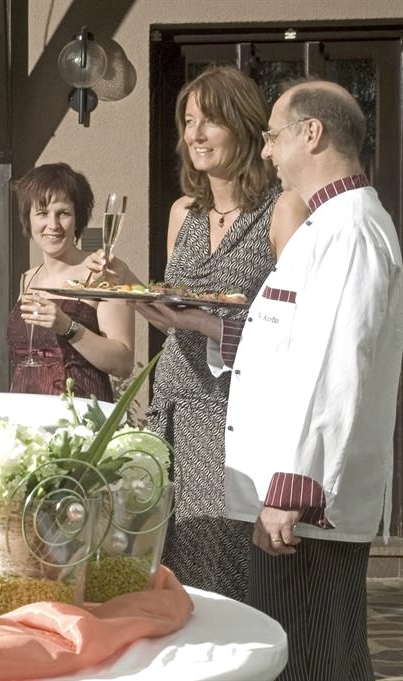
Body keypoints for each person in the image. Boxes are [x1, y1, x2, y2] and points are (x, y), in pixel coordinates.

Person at [143, 79, 403, 681]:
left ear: (311, 134)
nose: (266, 151)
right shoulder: (329, 223)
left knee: (308, 660)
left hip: (306, 502)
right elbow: (285, 344)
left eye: (273, 136)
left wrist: (291, 492)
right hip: (294, 493)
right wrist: (194, 323)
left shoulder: (348, 229)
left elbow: (335, 368)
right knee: (310, 655)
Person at [90, 66, 309, 601]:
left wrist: (200, 321)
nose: (196, 135)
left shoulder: (283, 208)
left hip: (234, 412)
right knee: (161, 563)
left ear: (244, 127)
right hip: (173, 402)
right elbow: (174, 311)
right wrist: (131, 286)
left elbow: (297, 330)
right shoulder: (183, 212)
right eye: (189, 122)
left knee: (219, 570)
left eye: (210, 121)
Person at [8, 163, 133, 399]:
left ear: (78, 219)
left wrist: (68, 327)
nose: (53, 225)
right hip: (26, 412)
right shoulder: (28, 278)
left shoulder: (102, 273)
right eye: (42, 213)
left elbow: (123, 364)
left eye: (63, 213)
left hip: (80, 414)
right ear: (29, 219)